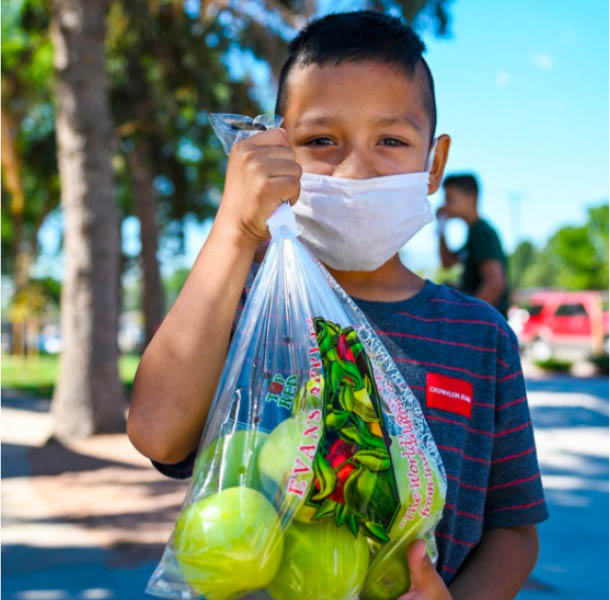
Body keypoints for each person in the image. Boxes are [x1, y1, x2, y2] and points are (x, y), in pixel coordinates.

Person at [127, 11, 548, 600]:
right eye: (321, 141)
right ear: (275, 149)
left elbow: (515, 529)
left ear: (434, 164)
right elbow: (157, 434)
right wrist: (235, 227)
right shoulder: (241, 310)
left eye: (391, 141)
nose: (354, 169)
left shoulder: (479, 336)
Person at [437, 174, 510, 318]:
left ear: (472, 198)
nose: (445, 206)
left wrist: (468, 317)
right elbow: (447, 263)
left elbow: (495, 283)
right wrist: (441, 228)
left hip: (487, 323)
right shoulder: (472, 233)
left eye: (450, 199)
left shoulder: (481, 232)